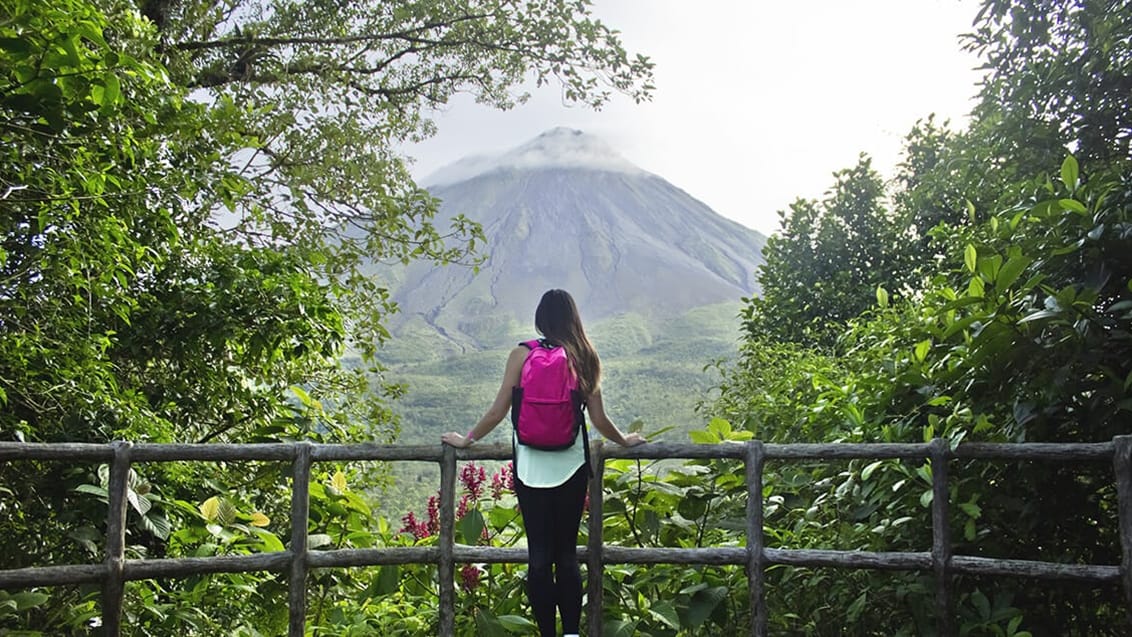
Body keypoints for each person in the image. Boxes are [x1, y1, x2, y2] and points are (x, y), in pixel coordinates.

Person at [441, 288, 646, 637]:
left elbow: (497, 411)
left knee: (538, 557)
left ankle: (547, 634)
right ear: (573, 318)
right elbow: (597, 418)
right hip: (570, 465)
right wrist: (624, 440)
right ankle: (570, 633)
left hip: (529, 465)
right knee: (566, 555)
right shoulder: (584, 355)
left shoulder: (521, 355)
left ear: (540, 318)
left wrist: (467, 439)